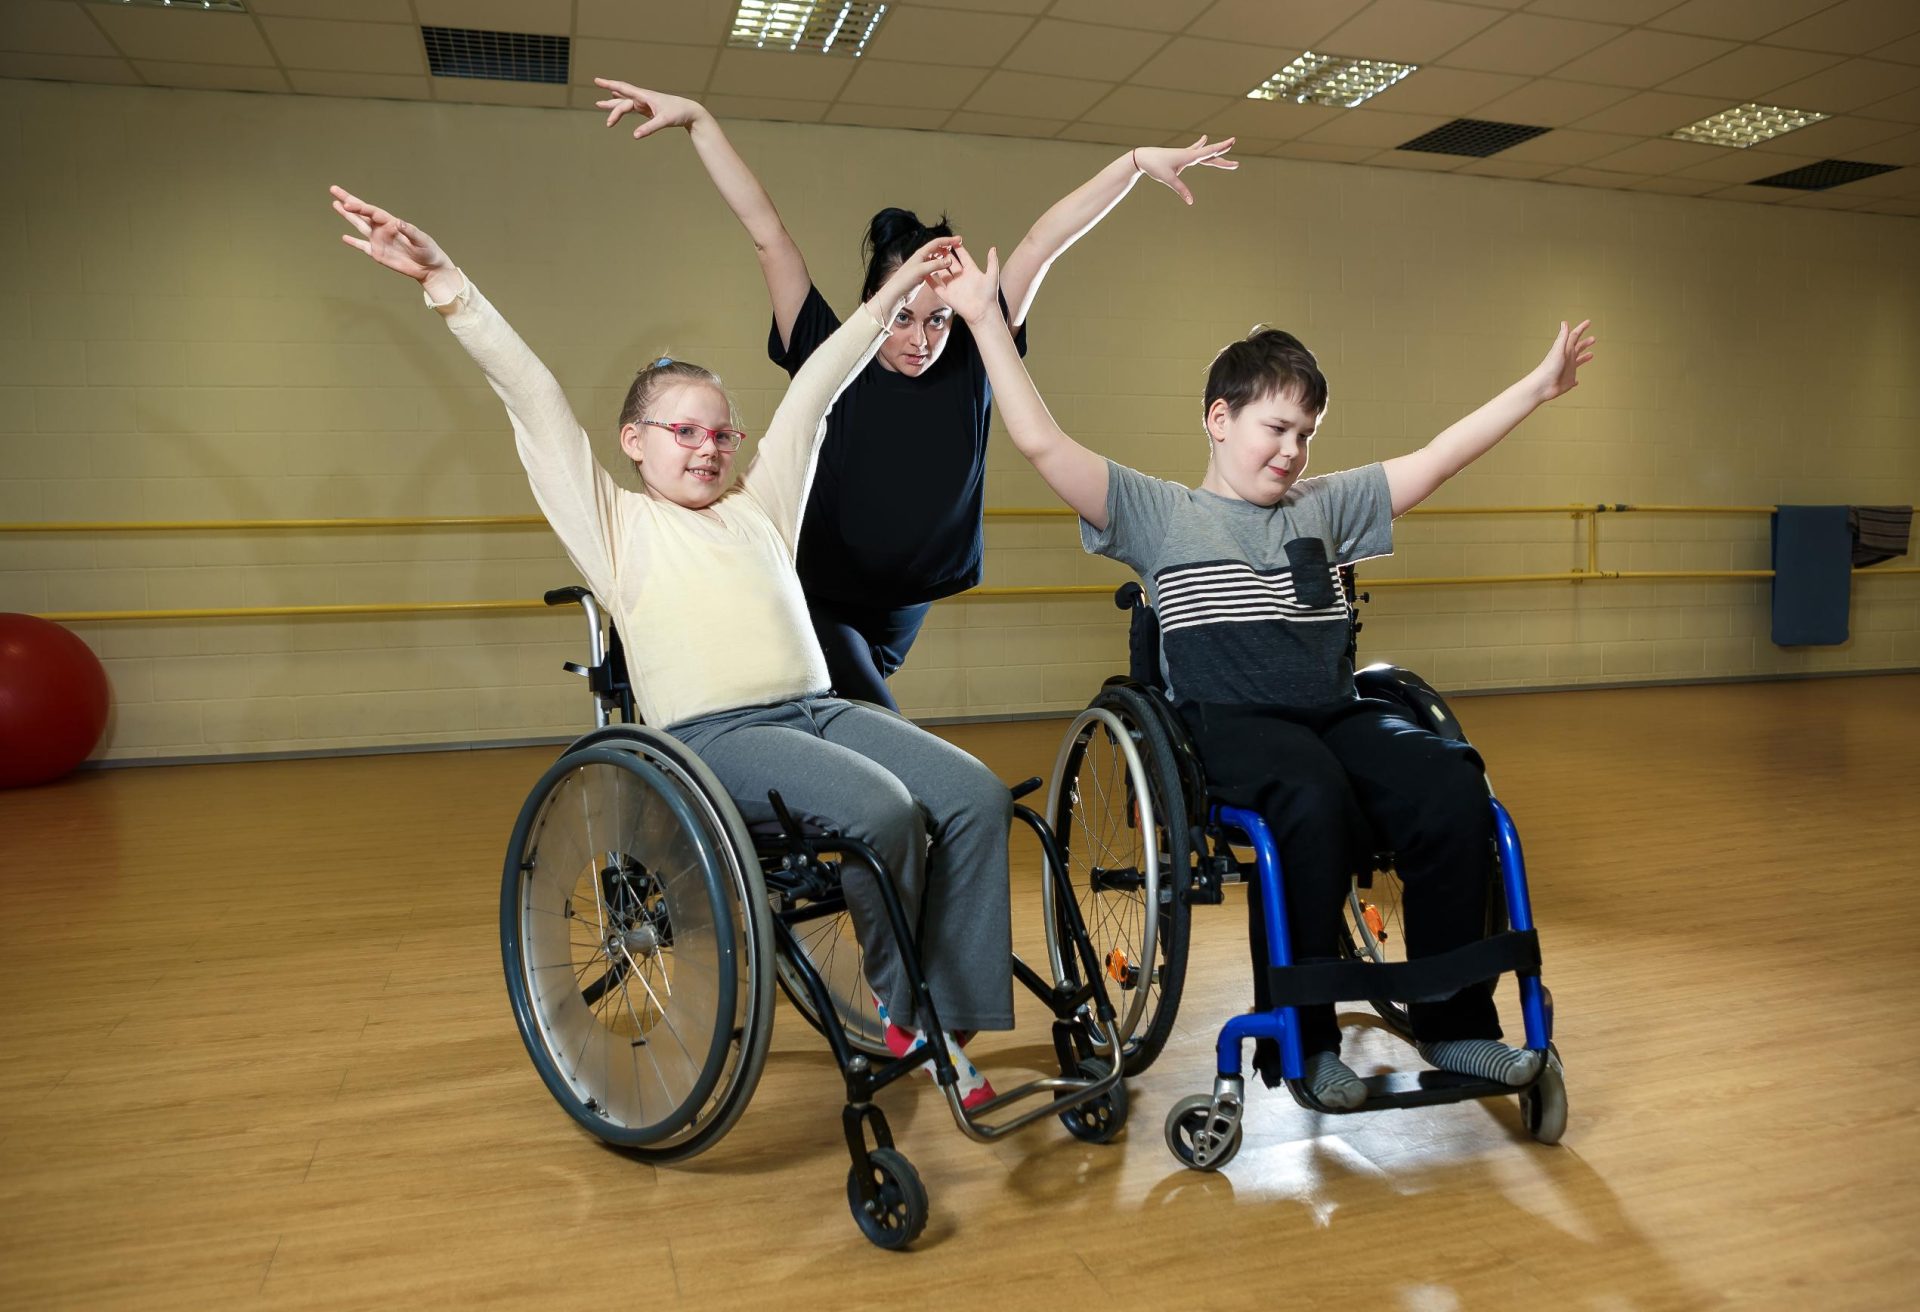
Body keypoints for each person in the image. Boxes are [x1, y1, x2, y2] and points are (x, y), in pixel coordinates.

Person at [330, 185, 1010, 1106]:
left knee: (971, 795)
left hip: (821, 711)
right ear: (634, 442)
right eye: (683, 431)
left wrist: (897, 300)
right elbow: (529, 395)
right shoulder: (613, 523)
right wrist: (450, 285)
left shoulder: (761, 504)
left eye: (720, 432)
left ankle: (950, 1014)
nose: (707, 448)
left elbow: (818, 386)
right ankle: (910, 1013)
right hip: (717, 739)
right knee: (885, 810)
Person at [932, 242, 1595, 1107]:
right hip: (1225, 722)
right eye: (1275, 429)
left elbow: (1440, 455)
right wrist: (985, 320)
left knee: (1450, 784)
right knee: (1308, 798)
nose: (1292, 451)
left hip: (1335, 710)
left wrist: (1535, 390)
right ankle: (1307, 1044)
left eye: (1306, 435)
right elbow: (1040, 442)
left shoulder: (1326, 507)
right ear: (1219, 418)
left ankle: (1456, 1022)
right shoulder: (1161, 514)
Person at [591, 78, 1238, 709]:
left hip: (906, 610)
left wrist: (1129, 165)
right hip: (815, 594)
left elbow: (1042, 243)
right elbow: (768, 236)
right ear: (878, 304)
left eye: (938, 319)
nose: (921, 338)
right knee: (879, 734)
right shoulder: (828, 348)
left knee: (839, 728)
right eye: (903, 316)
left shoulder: (974, 355)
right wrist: (700, 123)